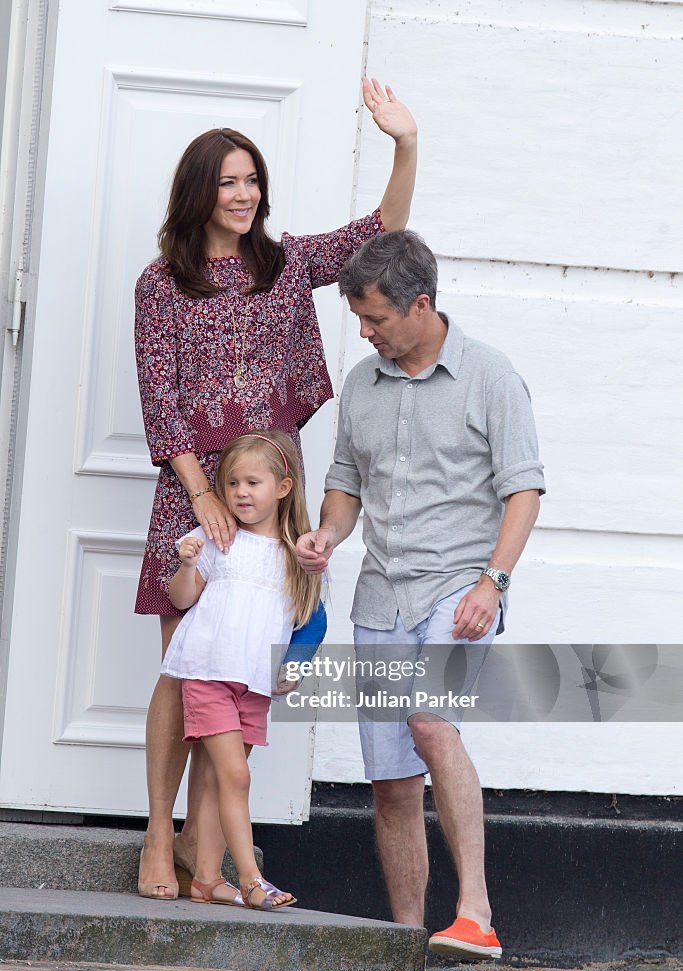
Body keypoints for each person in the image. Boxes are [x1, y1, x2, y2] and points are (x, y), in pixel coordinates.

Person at [135, 78, 418, 899]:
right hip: (192, 491)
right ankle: (161, 835)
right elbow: (159, 397)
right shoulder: (163, 284)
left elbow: (382, 231)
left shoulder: (285, 263)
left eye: (251, 179)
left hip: (271, 492)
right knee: (188, 670)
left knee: (247, 668)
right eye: (227, 180)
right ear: (198, 192)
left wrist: (403, 143)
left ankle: (205, 846)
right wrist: (200, 496)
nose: (243, 194)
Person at [295, 231, 545, 960]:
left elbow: (522, 490)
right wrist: (327, 535)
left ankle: (476, 914)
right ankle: (409, 944)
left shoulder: (489, 376)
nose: (365, 333)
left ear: (420, 304)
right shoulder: (362, 384)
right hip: (381, 599)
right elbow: (345, 482)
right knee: (392, 783)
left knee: (431, 724)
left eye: (374, 319)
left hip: (457, 590)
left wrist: (491, 583)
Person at [160, 430, 318, 909]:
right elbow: (182, 600)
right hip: (209, 671)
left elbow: (310, 621)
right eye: (232, 484)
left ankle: (207, 877)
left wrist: (295, 666)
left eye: (253, 482)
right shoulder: (214, 539)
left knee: (221, 780)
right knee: (235, 776)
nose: (241, 493)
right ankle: (251, 880)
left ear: (283, 488)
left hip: (253, 684)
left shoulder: (299, 556)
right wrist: (186, 565)